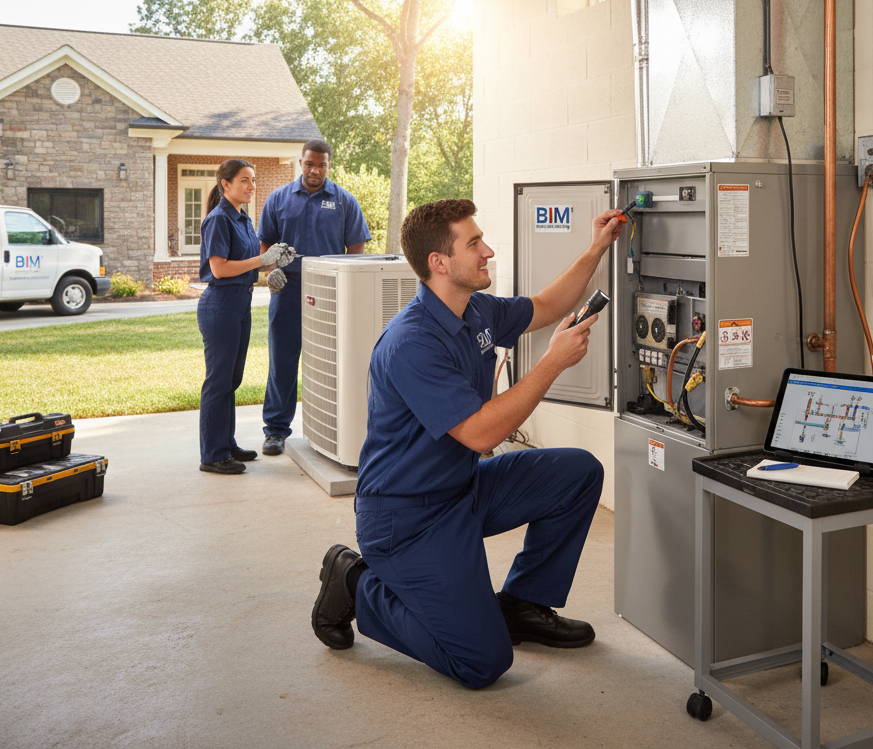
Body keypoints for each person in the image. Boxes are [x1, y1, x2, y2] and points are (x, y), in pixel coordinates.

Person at [310, 198, 623, 688]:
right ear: (439, 263)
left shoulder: (474, 309)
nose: (488, 251)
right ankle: (354, 580)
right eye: (474, 244)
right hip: (406, 517)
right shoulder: (412, 342)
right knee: (482, 662)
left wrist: (596, 247)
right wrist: (553, 362)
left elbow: (545, 307)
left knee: (578, 472)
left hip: (462, 489)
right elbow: (481, 434)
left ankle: (521, 603)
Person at [257, 139, 371, 456]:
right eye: (309, 164)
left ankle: (331, 427)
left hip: (330, 292)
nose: (315, 170)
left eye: (321, 165)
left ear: (328, 165)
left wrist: (347, 285)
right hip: (288, 288)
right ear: (301, 162)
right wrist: (270, 273)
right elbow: (264, 244)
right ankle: (276, 431)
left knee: (333, 360)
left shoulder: (344, 201)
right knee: (282, 360)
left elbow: (357, 249)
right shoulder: (279, 199)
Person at [196, 159, 294, 475]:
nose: (251, 186)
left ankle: (226, 444)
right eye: (244, 180)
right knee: (218, 381)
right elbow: (220, 268)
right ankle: (212, 455)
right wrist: (262, 259)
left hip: (240, 304)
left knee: (231, 380)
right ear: (225, 184)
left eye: (253, 180)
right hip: (220, 306)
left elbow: (250, 262)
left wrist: (273, 265)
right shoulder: (218, 219)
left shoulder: (242, 218)